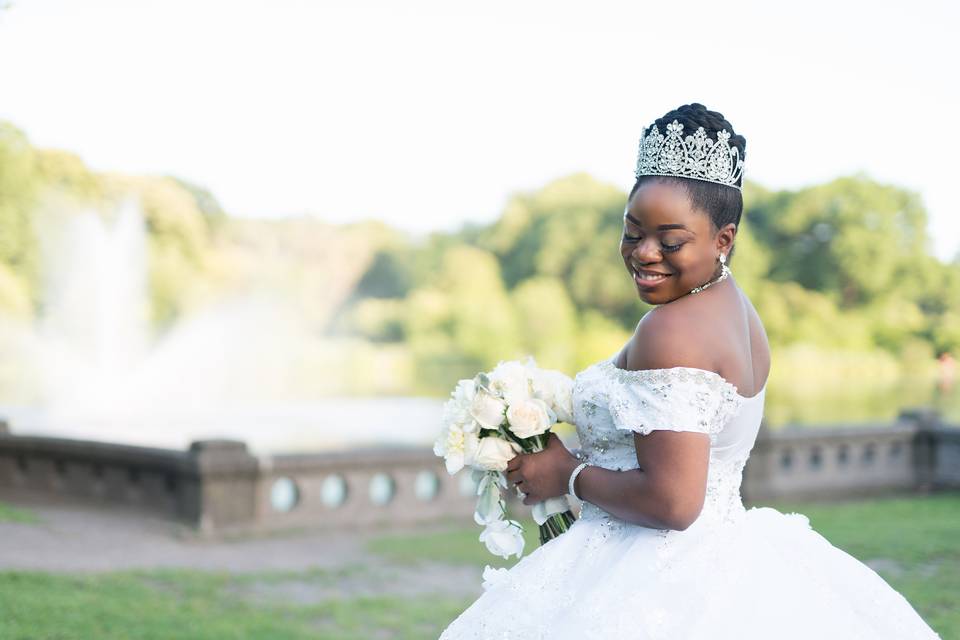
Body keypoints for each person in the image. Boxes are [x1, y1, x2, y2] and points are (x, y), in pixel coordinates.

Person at [438, 103, 941, 639]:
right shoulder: (739, 313)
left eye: (670, 241)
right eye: (632, 233)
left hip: (652, 572)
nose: (644, 253)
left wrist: (567, 474)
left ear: (723, 240)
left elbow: (674, 501)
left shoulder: (670, 330)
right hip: (725, 553)